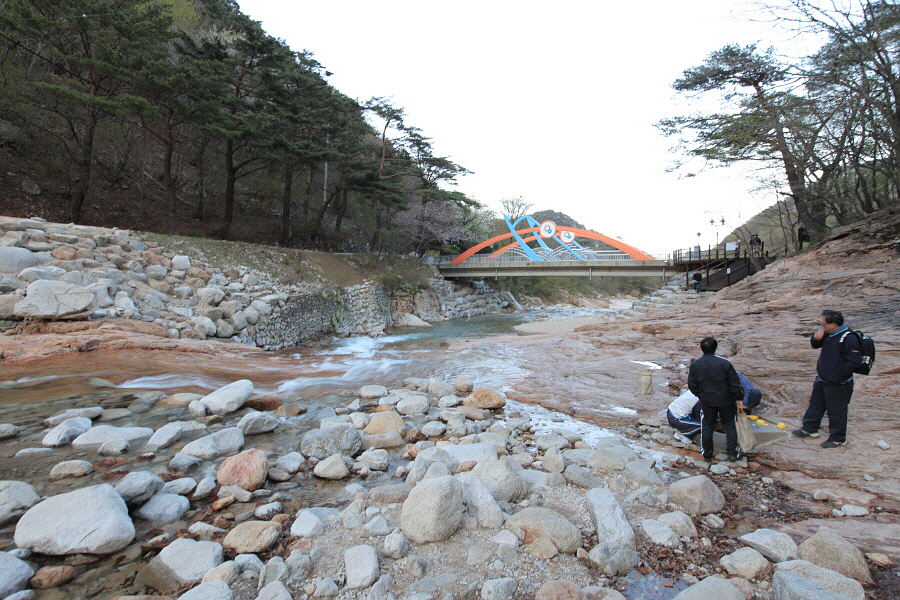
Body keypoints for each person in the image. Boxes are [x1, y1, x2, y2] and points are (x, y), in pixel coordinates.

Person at [793, 309, 862, 448]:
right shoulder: (828, 334)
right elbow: (815, 345)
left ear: (833, 324)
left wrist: (838, 376)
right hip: (823, 379)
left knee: (836, 411)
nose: (822, 327)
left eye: (824, 324)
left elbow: (854, 361)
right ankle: (809, 428)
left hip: (838, 383)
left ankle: (838, 438)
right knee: (816, 404)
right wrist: (815, 337)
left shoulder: (849, 338)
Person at [688, 337, 744, 462]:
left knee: (707, 425)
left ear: (702, 348)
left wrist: (700, 395)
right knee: (729, 425)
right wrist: (739, 398)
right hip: (726, 400)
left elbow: (692, 384)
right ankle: (732, 454)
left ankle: (707, 455)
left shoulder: (695, 365)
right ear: (715, 348)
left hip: (707, 400)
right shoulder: (725, 363)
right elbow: (734, 383)